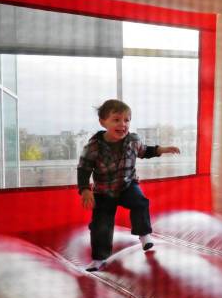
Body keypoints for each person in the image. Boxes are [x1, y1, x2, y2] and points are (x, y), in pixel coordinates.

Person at [77, 100, 180, 271]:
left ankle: (144, 235)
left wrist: (162, 149)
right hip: (103, 191)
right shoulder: (94, 146)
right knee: (101, 225)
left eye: (127, 120)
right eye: (116, 120)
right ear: (103, 122)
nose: (122, 124)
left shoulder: (133, 140)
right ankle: (99, 259)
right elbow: (84, 168)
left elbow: (144, 151)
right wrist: (85, 190)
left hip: (127, 184)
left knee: (140, 202)